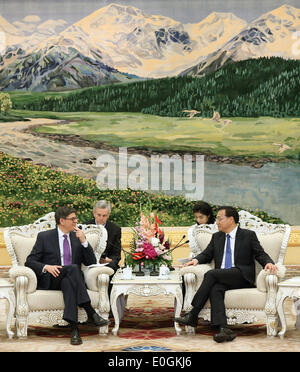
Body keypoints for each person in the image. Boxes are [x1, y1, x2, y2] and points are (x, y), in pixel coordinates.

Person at [175, 206, 277, 343]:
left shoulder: (248, 235)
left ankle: (193, 313)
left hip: (241, 276)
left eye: (219, 218)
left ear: (231, 219)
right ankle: (224, 329)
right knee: (215, 288)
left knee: (211, 275)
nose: (216, 222)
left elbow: (260, 253)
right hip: (222, 276)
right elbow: (206, 254)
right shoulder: (217, 237)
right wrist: (195, 260)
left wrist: (269, 263)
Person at [25, 206, 109, 346]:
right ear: (62, 221)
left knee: (69, 282)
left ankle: (75, 330)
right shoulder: (45, 237)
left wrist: (84, 241)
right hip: (52, 278)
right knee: (73, 269)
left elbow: (90, 263)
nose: (76, 221)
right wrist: (47, 267)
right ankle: (90, 311)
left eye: (76, 218)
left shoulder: (77, 237)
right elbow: (30, 261)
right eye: (73, 219)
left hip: (72, 280)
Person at [84, 200, 121, 273]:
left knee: (112, 266)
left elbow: (116, 254)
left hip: (106, 263)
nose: (101, 218)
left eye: (104, 216)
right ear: (94, 214)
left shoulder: (115, 229)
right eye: (99, 215)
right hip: (88, 262)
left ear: (108, 215)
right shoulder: (85, 226)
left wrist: (109, 260)